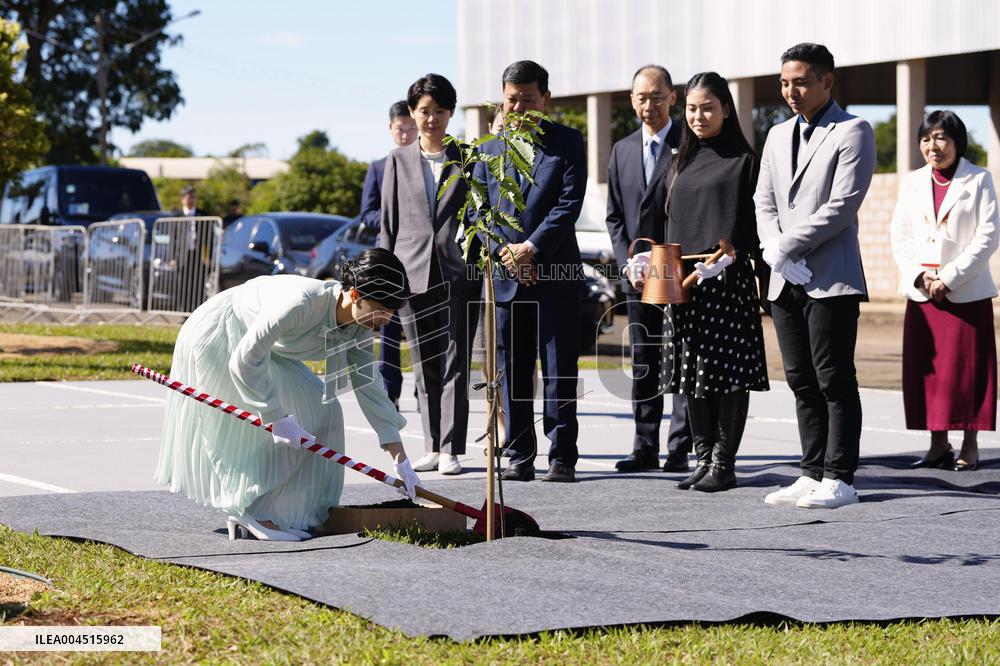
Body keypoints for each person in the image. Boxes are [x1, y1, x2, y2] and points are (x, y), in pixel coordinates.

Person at [154, 249, 421, 541]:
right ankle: (250, 511)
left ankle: (289, 513)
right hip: (222, 335)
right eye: (381, 308)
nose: (385, 318)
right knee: (266, 422)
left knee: (325, 411)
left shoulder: (358, 327)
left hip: (266, 352)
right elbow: (244, 360)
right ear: (355, 295)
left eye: (391, 311)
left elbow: (368, 386)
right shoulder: (302, 302)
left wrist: (400, 457)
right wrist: (274, 417)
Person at [754, 43, 876, 509]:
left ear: (828, 81)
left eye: (801, 81)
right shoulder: (777, 134)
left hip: (831, 276)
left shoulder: (854, 131)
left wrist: (787, 245)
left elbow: (842, 206)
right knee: (801, 378)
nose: (791, 91)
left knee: (834, 378)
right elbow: (763, 199)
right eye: (785, 82)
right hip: (785, 276)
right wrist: (772, 250)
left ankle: (840, 476)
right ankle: (810, 472)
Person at [654, 72, 769, 492]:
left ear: (725, 110)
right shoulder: (678, 159)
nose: (698, 116)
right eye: (691, 108)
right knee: (692, 373)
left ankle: (725, 462)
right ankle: (703, 458)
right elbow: (661, 219)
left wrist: (733, 255)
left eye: (708, 108)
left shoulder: (744, 161)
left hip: (726, 279)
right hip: (684, 281)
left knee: (729, 375)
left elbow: (757, 225)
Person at [473, 60, 587, 483]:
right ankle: (519, 452)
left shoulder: (568, 142)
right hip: (506, 278)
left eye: (528, 100)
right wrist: (507, 254)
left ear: (546, 100)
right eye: (511, 100)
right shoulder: (487, 148)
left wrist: (531, 249)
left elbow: (567, 206)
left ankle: (562, 456)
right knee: (513, 368)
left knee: (559, 368)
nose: (518, 107)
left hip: (554, 274)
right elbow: (478, 212)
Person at [890, 110, 999, 472]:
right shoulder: (913, 182)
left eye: (940, 138)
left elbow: (987, 236)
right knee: (930, 373)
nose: (932, 146)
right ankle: (938, 445)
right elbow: (900, 235)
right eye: (926, 138)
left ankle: (970, 444)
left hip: (965, 292)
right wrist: (922, 277)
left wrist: (949, 277)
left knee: (969, 373)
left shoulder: (979, 179)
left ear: (956, 142)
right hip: (923, 295)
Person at [380, 74, 473, 476]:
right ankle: (432, 445)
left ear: (450, 113)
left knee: (456, 361)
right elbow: (388, 225)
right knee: (423, 363)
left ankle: (452, 448)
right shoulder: (396, 161)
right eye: (423, 111)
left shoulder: (468, 158)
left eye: (438, 111)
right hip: (410, 274)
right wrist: (383, 280)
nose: (431, 118)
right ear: (412, 113)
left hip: (458, 273)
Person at [605, 63, 694, 474]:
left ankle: (679, 447)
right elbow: (615, 216)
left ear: (672, 98)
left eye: (657, 96)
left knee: (678, 358)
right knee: (644, 359)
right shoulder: (622, 149)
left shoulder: (690, 143)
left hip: (676, 269)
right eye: (641, 97)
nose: (649, 105)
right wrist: (628, 259)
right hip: (635, 275)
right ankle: (644, 445)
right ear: (631, 100)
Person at [361, 101, 418, 409]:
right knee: (390, 327)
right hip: (389, 258)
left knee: (423, 327)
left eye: (411, 129)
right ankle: (389, 391)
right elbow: (366, 214)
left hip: (420, 256)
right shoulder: (379, 167)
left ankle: (425, 390)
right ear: (390, 129)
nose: (406, 135)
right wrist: (391, 217)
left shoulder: (425, 164)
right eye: (401, 129)